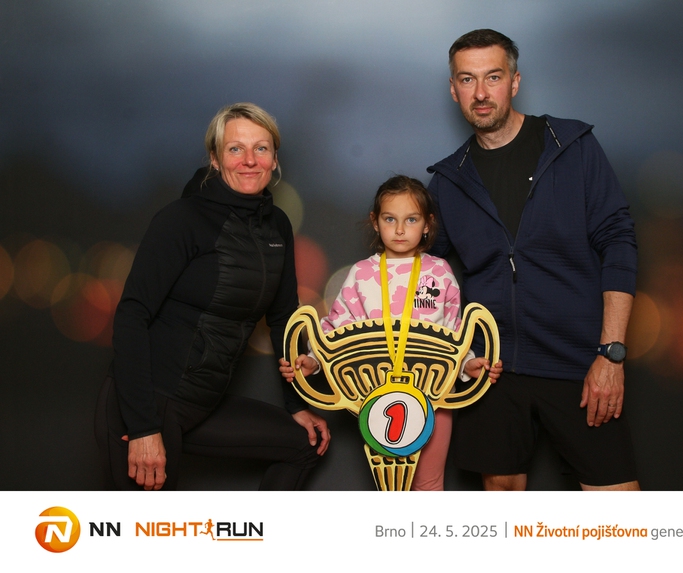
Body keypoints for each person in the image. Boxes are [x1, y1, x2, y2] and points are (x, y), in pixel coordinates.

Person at [427, 30, 640, 491]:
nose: (481, 93)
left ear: (515, 81)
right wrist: (459, 357)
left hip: (579, 362)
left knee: (617, 503)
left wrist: (611, 354)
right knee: (502, 502)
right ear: (453, 89)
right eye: (467, 79)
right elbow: (417, 275)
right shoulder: (448, 181)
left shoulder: (572, 146)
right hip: (492, 373)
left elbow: (619, 243)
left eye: (493, 77)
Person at [95, 102, 330, 491]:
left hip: (203, 405)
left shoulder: (278, 226)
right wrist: (143, 428)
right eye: (236, 148)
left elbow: (283, 319)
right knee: (149, 530)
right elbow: (132, 315)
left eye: (261, 148)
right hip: (146, 404)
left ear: (274, 159)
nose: (250, 160)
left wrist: (297, 404)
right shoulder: (181, 220)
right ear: (216, 159)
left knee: (304, 443)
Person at [279, 175, 502, 490]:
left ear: (427, 224)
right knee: (390, 487)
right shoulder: (362, 274)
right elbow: (336, 329)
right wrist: (313, 361)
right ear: (375, 221)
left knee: (429, 485)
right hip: (376, 396)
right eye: (389, 219)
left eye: (411, 219)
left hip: (435, 397)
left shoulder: (440, 272)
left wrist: (468, 365)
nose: (399, 229)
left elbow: (455, 332)